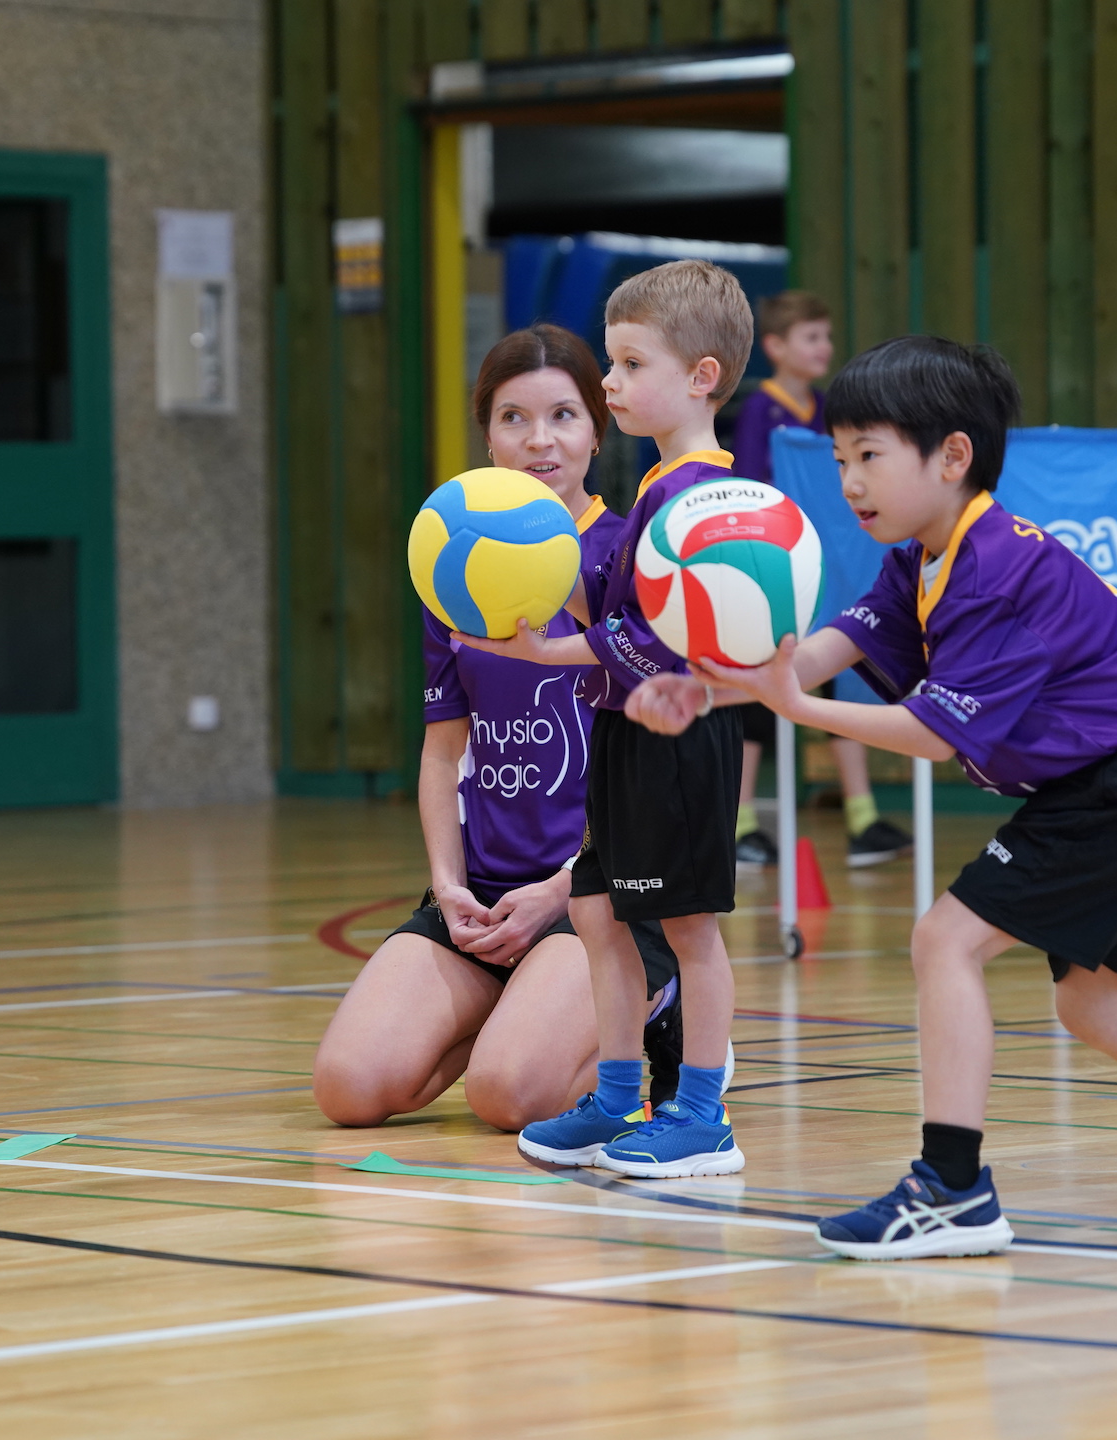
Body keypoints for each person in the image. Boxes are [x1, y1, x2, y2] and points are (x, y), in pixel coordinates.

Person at [676, 335, 1117, 1257]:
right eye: (839, 460)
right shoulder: (921, 556)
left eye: (869, 456)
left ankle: (950, 1188)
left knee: (943, 938)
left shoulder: (998, 566)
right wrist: (717, 686)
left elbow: (926, 731)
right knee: (1090, 1008)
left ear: (952, 456)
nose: (849, 481)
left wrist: (794, 709)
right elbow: (831, 646)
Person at [312, 325, 685, 1132]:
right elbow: (443, 747)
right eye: (513, 418)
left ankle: (643, 1010)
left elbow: (664, 774)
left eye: (562, 416)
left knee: (505, 1098)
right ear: (487, 434)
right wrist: (447, 888)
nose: (538, 441)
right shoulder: (451, 559)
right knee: (348, 1089)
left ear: (596, 429)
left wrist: (556, 892)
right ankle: (513, 1008)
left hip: (599, 894)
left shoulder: (632, 557)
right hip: (481, 896)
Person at [457, 260, 753, 1178]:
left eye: (627, 366)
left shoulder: (697, 496)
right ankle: (617, 1095)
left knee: (691, 928)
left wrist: (550, 653)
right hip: (624, 737)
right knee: (594, 910)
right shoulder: (660, 487)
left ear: (699, 377)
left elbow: (661, 638)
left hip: (678, 736)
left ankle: (702, 1112)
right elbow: (610, 608)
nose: (611, 384)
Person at [729, 290, 912, 870]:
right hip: (775, 573)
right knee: (758, 700)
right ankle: (739, 823)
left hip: (830, 572)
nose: (823, 348)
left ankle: (861, 817)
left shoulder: (829, 406)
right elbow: (755, 486)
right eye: (811, 337)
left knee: (838, 682)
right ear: (777, 347)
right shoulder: (762, 411)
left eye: (826, 337)